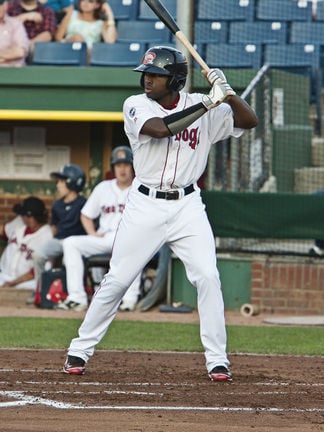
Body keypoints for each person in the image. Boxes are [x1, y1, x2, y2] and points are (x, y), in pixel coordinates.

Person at [63, 45, 258, 381]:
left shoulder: (202, 105)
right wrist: (210, 102)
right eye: (147, 74)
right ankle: (80, 349)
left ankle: (217, 359)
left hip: (187, 205)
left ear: (175, 80)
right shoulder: (136, 105)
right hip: (145, 204)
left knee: (208, 276)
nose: (148, 80)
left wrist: (228, 94)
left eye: (156, 75)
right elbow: (160, 128)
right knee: (119, 279)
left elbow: (249, 121)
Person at [58, 146, 141, 312]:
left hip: (131, 238)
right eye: (118, 165)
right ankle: (77, 298)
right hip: (105, 237)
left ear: (132, 166)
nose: (122, 169)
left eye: (126, 164)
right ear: (113, 168)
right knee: (70, 243)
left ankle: (129, 299)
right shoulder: (103, 187)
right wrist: (92, 234)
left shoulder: (141, 188)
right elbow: (86, 215)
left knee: (135, 247)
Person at [31, 164, 86, 304]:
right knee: (37, 255)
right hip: (59, 240)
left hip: (76, 242)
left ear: (72, 182)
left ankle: (71, 292)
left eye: (61, 181)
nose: (58, 185)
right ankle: (40, 290)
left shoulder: (83, 203)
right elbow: (54, 227)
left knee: (69, 260)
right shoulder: (57, 205)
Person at [0, 196, 52, 290]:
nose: (23, 218)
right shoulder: (19, 222)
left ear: (36, 217)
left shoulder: (47, 236)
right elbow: (3, 231)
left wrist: (12, 283)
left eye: (26, 215)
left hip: (26, 283)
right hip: (3, 276)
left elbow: (36, 271)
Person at [0, 0, 30, 66]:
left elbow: (20, 52)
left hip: (14, 71)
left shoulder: (16, 24)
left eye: (1, 4)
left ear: (5, 5)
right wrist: (9, 55)